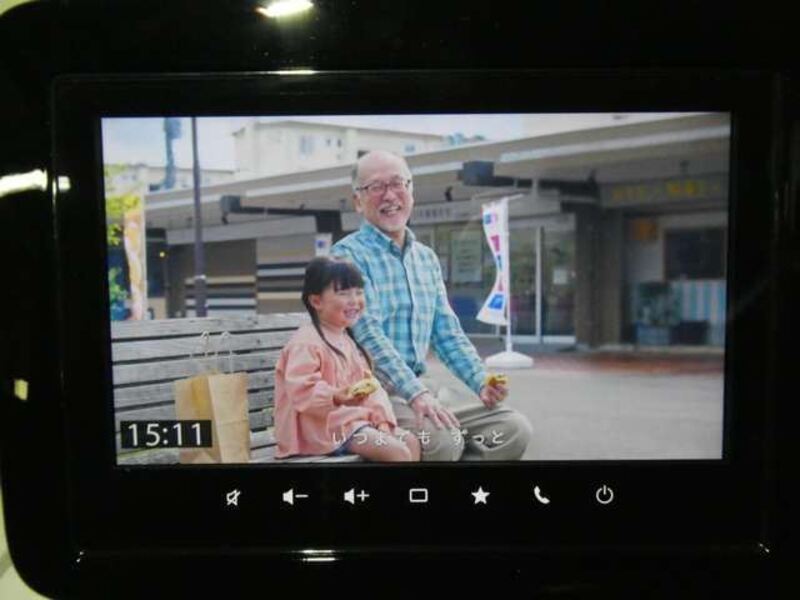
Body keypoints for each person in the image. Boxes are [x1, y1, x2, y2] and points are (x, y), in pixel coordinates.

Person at [332, 150, 533, 461]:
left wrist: (481, 381)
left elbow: (447, 333)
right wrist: (417, 394)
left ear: (411, 190)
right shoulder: (346, 257)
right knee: (443, 442)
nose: (390, 195)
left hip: (422, 389)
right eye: (376, 187)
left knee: (513, 430)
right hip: (373, 393)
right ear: (358, 201)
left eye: (397, 183)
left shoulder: (425, 258)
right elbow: (369, 336)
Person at [274, 256, 420, 462]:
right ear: (316, 301)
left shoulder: (346, 339)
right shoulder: (306, 343)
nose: (354, 300)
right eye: (343, 293)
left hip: (350, 422)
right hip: (318, 430)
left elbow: (372, 388)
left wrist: (383, 420)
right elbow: (301, 391)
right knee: (397, 452)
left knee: (410, 442)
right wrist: (335, 396)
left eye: (359, 292)